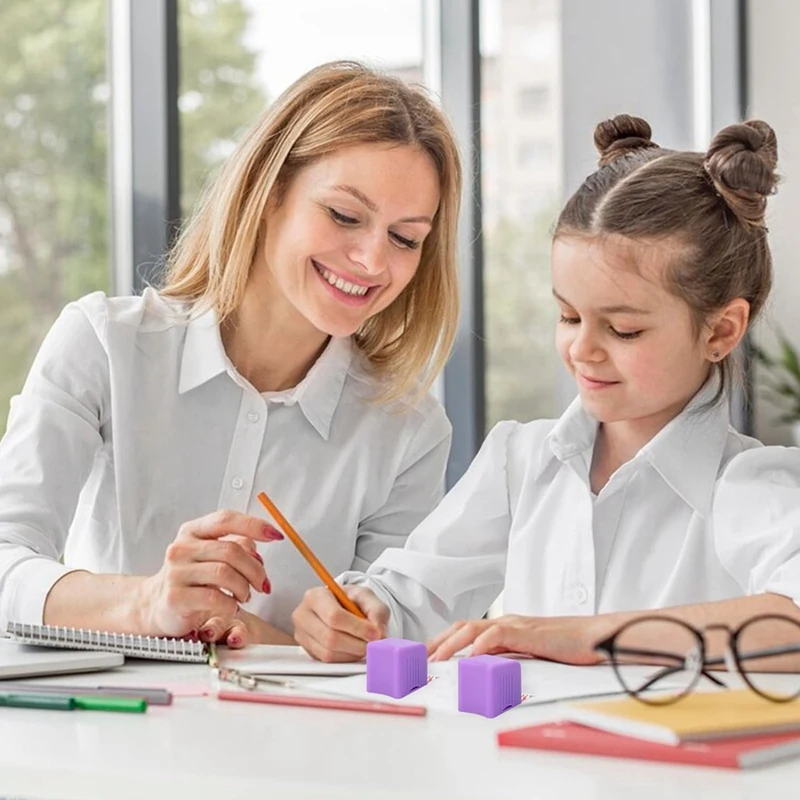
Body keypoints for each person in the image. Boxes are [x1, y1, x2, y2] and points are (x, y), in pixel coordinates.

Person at [293, 114, 800, 666]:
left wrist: (587, 637)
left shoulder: (751, 485)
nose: (583, 349)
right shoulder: (520, 462)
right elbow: (415, 598)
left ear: (722, 331)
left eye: (624, 329)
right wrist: (359, 610)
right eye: (567, 316)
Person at [0, 61, 462, 648]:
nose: (373, 260)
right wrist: (146, 603)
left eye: (405, 238)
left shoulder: (409, 432)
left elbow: (390, 653)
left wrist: (302, 639)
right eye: (345, 215)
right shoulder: (103, 346)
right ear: (268, 194)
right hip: (100, 730)